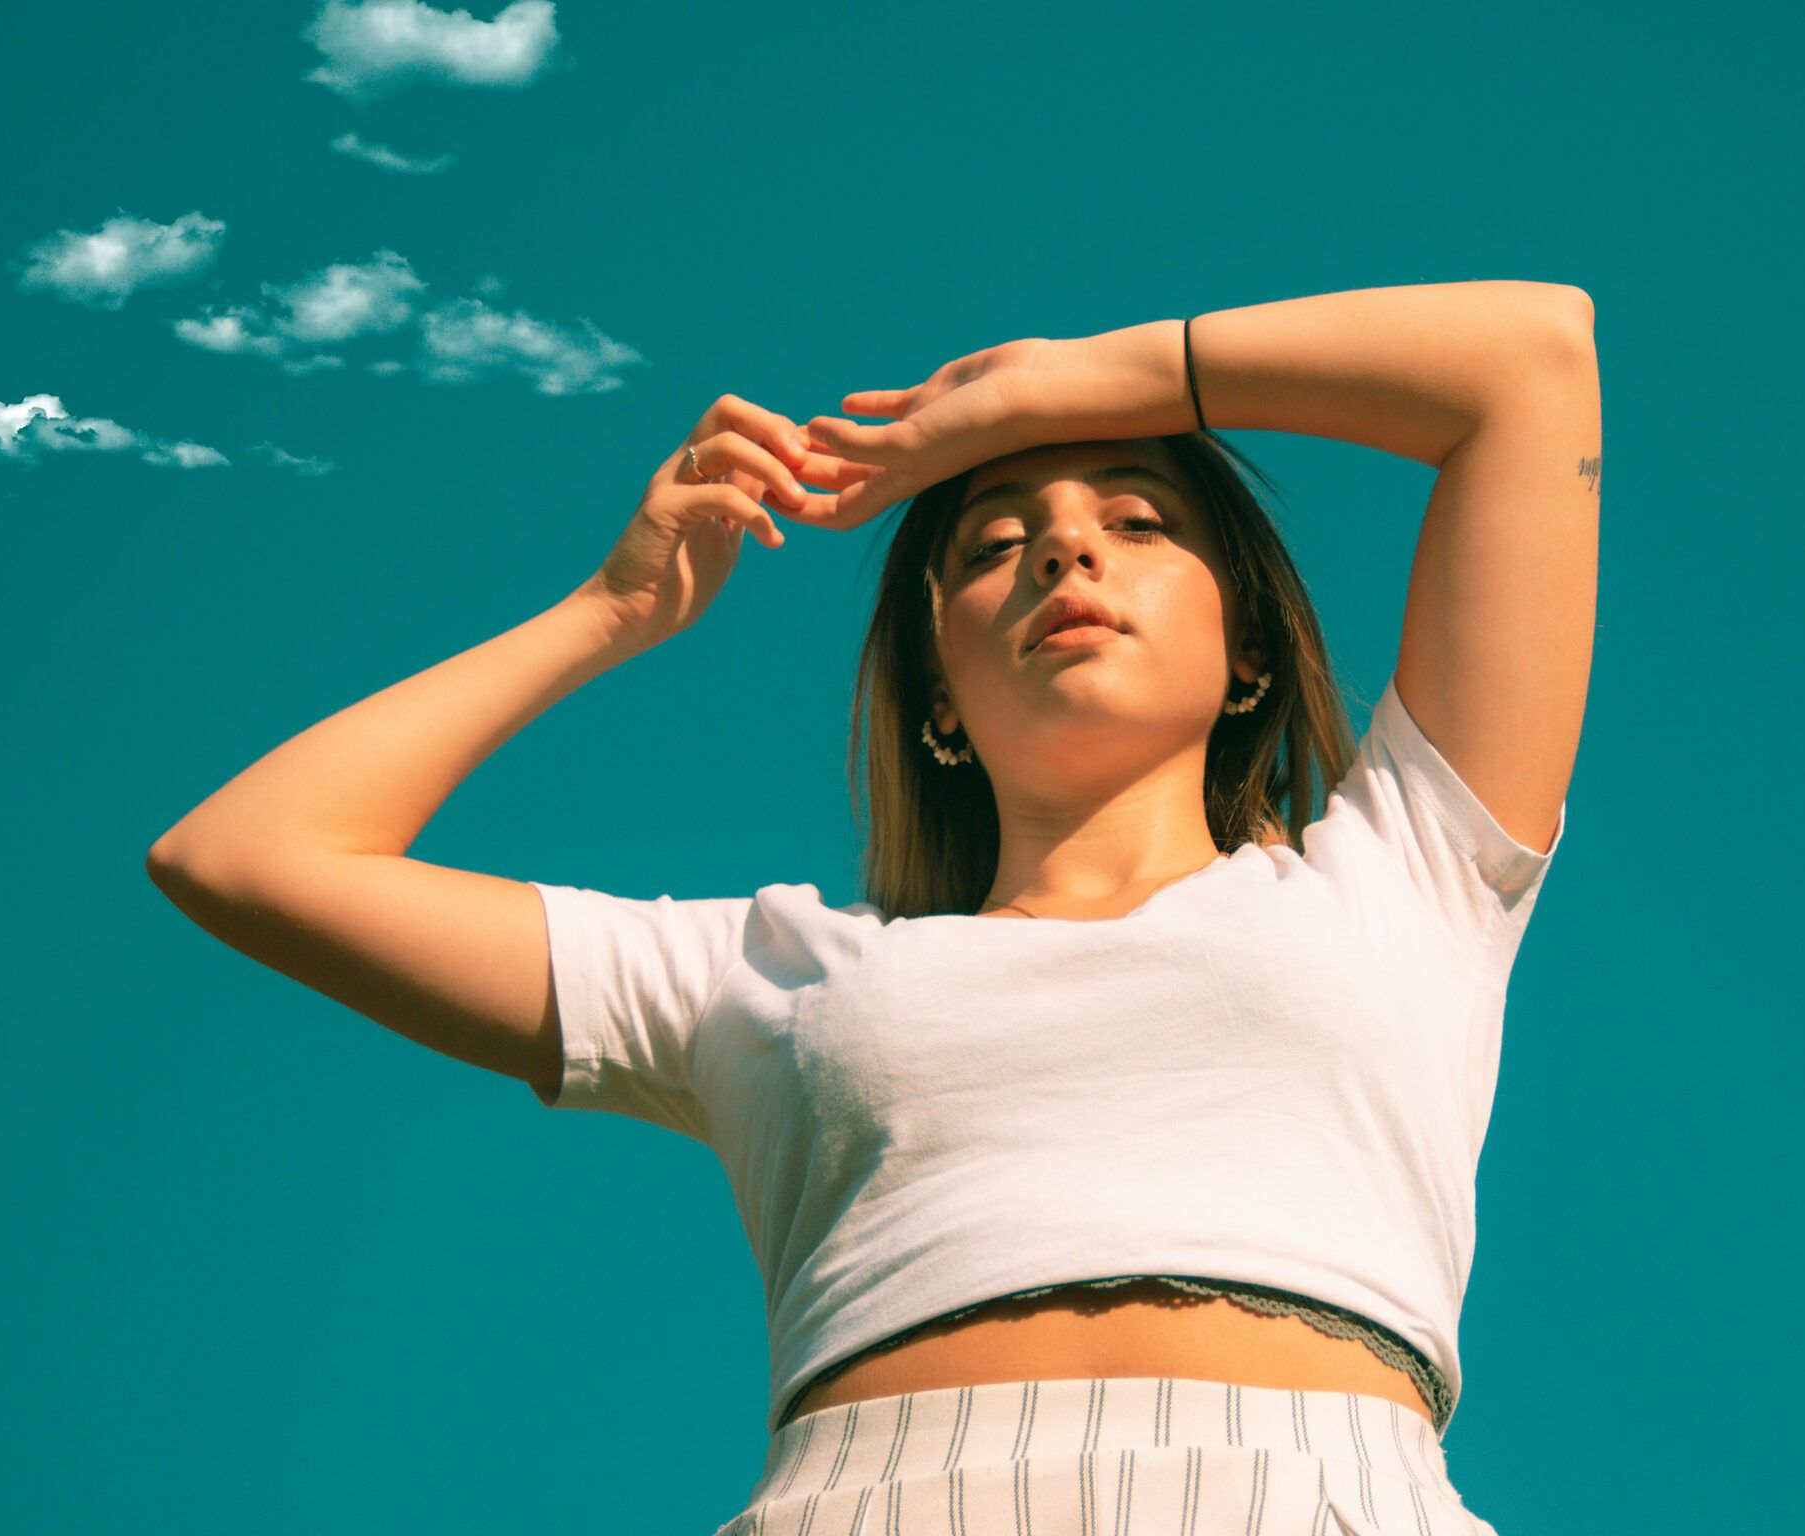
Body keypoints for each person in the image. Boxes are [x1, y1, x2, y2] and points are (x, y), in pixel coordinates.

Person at [145, 280, 1601, 1534]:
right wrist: (613, 611)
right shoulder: (762, 973)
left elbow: (1526, 360)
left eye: (1138, 519)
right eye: (988, 544)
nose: (1064, 550)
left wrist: (1051, 385)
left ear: (1249, 660)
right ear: (940, 705)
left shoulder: (1408, 864)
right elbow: (249, 856)